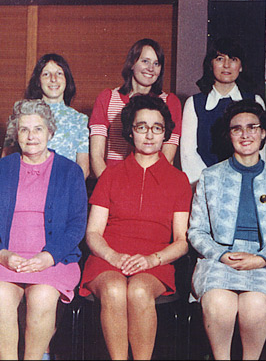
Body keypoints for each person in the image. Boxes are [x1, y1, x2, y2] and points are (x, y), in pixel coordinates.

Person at [0, 99, 87, 360]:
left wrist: (47, 257)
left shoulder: (70, 172)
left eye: (38, 128)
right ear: (16, 134)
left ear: (50, 132)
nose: (31, 136)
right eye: (24, 129)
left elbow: (77, 225)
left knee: (43, 296)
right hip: (3, 259)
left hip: (53, 260)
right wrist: (3, 255)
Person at [79, 95, 191, 359]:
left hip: (155, 262)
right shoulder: (110, 175)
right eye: (141, 127)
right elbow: (93, 232)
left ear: (166, 133)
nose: (149, 135)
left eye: (157, 128)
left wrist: (152, 260)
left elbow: (181, 241)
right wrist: (113, 257)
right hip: (107, 259)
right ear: (130, 131)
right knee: (115, 289)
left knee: (139, 291)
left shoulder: (179, 180)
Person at [187, 100, 266, 360]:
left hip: (263, 261)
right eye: (237, 129)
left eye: (252, 127)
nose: (245, 134)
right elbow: (196, 231)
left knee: (255, 306)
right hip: (218, 259)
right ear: (229, 135)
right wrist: (221, 255)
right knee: (219, 304)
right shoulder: (210, 177)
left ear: (263, 133)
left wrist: (261, 259)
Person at [89, 38, 182, 177]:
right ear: (132, 63)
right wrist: (107, 187)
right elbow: (96, 156)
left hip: (152, 178)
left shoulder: (170, 102)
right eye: (145, 61)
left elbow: (168, 158)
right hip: (111, 177)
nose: (151, 68)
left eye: (156, 63)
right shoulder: (107, 98)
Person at [181, 37, 266, 187]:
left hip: (246, 183)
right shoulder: (194, 104)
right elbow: (188, 154)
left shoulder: (255, 102)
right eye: (220, 58)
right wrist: (210, 185)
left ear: (240, 66)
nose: (226, 65)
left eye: (233, 59)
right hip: (204, 185)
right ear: (211, 64)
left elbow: (260, 153)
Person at [2, 53, 90, 178]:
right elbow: (7, 159)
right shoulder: (22, 113)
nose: (53, 79)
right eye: (46, 74)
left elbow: (83, 168)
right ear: (38, 81)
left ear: (67, 79)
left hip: (63, 187)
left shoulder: (80, 120)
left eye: (59, 73)